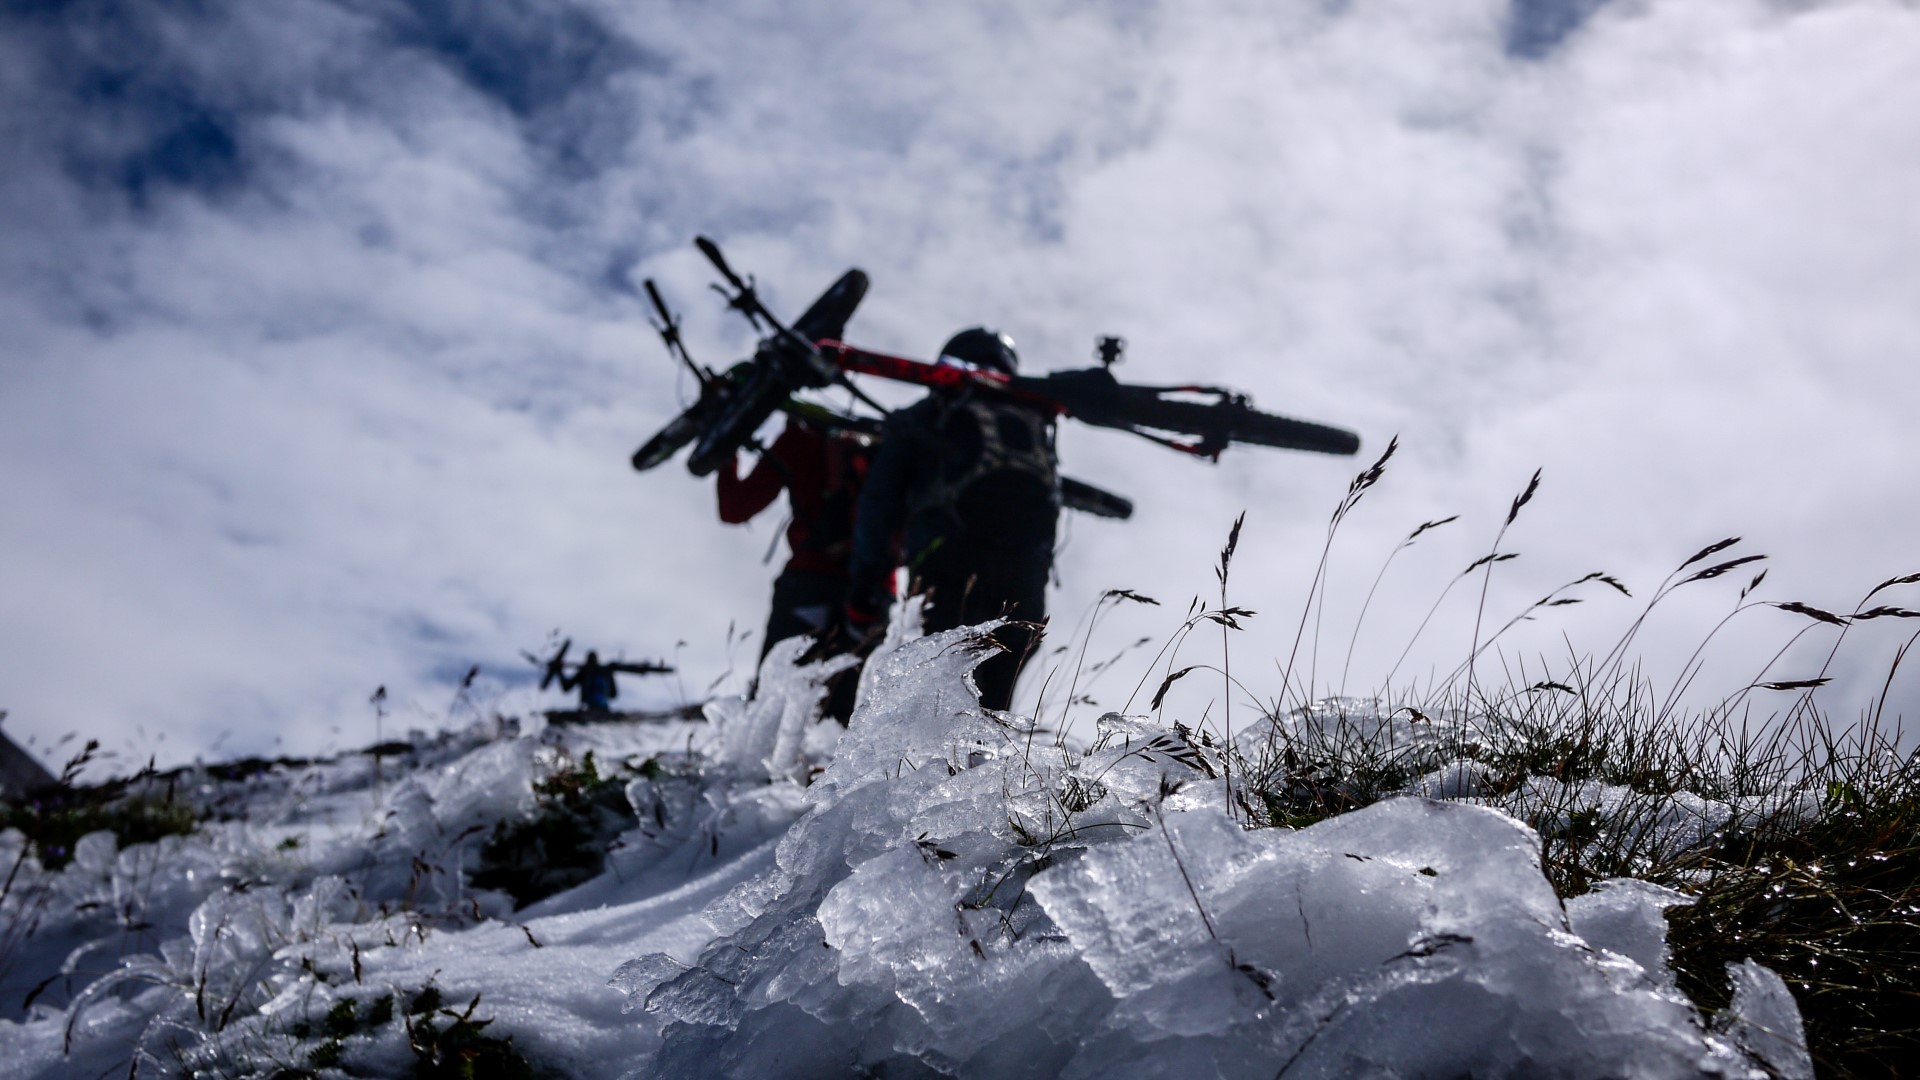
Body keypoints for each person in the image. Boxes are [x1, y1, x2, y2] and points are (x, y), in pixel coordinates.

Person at [846, 328, 1060, 712]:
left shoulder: (927, 415)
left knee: (941, 701)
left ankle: (934, 772)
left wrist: (866, 579)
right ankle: (992, 773)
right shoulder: (1031, 421)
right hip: (1025, 578)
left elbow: (879, 499)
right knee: (993, 712)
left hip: (948, 564)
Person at [717, 412, 873, 663]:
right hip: (871, 594)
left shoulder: (801, 439)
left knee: (780, 691)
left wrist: (725, 452)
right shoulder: (884, 447)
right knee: (855, 699)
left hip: (809, 581)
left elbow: (734, 508)